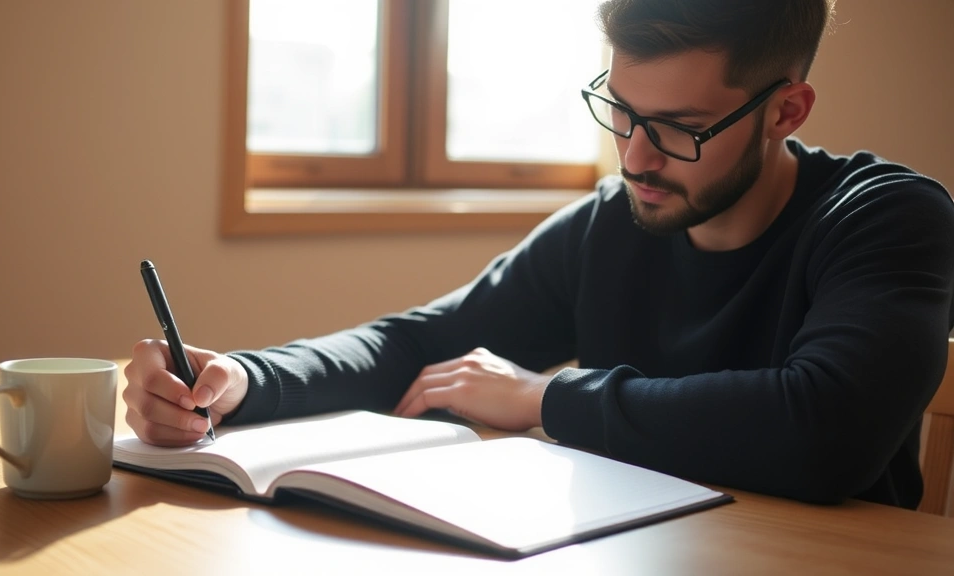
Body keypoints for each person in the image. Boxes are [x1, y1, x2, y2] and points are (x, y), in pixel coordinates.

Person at [124, 0, 954, 510]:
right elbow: (420, 344)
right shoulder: (614, 222)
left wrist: (544, 400)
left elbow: (825, 430)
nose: (633, 157)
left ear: (787, 112)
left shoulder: (887, 219)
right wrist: (243, 379)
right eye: (621, 111)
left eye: (677, 128)